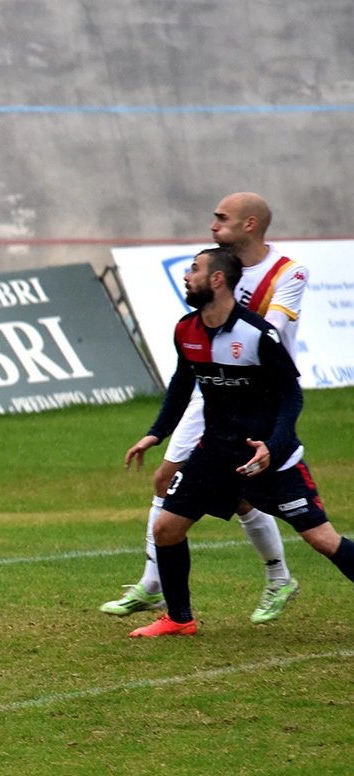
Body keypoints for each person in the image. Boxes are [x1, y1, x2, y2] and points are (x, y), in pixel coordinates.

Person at [123, 247, 354, 637]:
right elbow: (182, 385)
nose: (187, 276)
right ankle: (180, 619)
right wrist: (155, 433)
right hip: (214, 455)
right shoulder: (186, 329)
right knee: (166, 529)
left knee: (322, 539)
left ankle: (276, 579)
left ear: (217, 280)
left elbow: (291, 396)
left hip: (268, 460)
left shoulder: (257, 334)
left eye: (194, 270)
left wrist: (272, 446)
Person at [102, 192, 308, 624]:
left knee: (235, 492)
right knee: (172, 479)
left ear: (249, 224)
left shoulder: (285, 273)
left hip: (254, 397)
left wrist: (221, 307)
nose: (213, 226)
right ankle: (157, 587)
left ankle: (273, 576)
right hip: (211, 390)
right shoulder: (215, 268)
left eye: (222, 219)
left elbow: (267, 333)